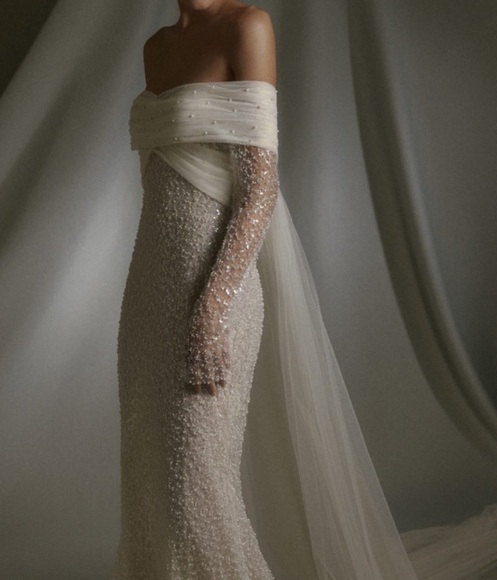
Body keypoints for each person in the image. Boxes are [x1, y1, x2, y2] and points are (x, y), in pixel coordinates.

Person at [115, 0, 417, 578]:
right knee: (148, 481)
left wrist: (212, 307)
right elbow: (160, 182)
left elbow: (260, 188)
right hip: (148, 291)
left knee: (196, 485)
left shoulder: (247, 26)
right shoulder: (156, 48)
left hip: (215, 293)